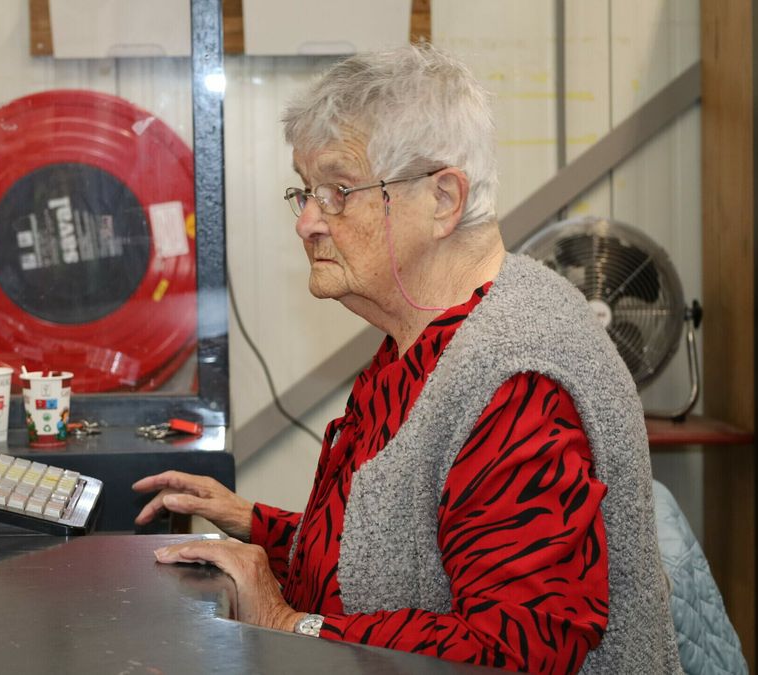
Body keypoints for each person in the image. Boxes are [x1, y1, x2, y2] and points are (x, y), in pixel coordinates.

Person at [134, 44, 680, 674]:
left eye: (339, 189)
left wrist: (288, 626)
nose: (307, 221)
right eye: (306, 191)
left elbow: (514, 655)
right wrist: (254, 524)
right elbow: (394, 562)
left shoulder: (515, 380)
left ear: (444, 199)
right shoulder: (430, 335)